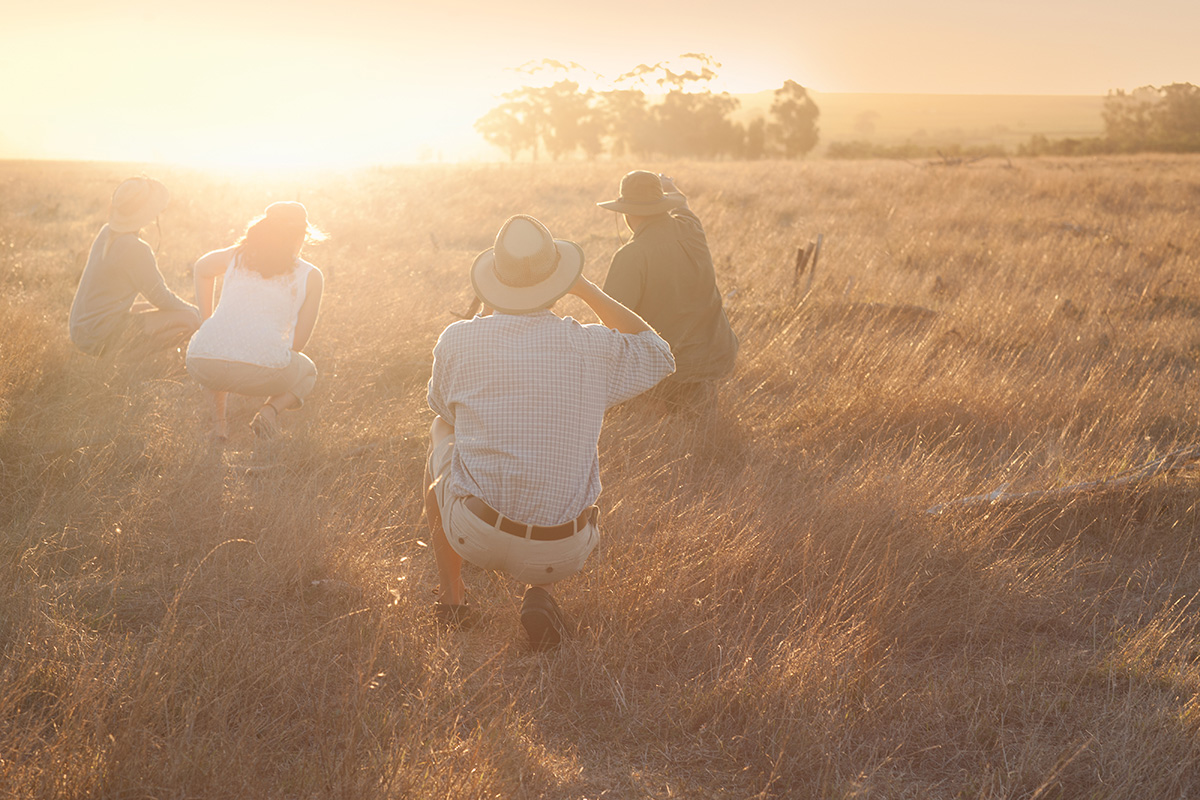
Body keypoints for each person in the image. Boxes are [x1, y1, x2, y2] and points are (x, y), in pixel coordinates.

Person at [425, 214, 675, 650]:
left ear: (494, 281)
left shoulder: (458, 339)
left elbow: (445, 410)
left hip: (474, 534)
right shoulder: (590, 346)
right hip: (563, 552)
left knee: (439, 432)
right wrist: (584, 287)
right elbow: (658, 354)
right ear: (556, 280)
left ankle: (452, 600)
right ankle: (540, 593)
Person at [597, 170, 738, 408]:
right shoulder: (692, 228)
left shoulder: (631, 255)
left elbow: (611, 328)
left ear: (626, 213)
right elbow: (682, 205)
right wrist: (669, 186)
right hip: (717, 358)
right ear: (662, 205)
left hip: (666, 371)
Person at [185, 201, 325, 441]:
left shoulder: (236, 255)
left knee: (217, 348)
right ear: (302, 235)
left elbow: (201, 268)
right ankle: (268, 412)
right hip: (265, 374)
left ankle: (219, 428)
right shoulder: (310, 275)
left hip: (200, 362)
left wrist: (207, 322)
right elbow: (298, 344)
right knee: (308, 370)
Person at [68, 177, 201, 357]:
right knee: (189, 320)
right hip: (98, 335)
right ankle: (124, 360)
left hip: (80, 330)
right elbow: (161, 298)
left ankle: (120, 354)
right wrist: (196, 312)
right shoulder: (136, 249)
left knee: (158, 309)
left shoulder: (106, 232)